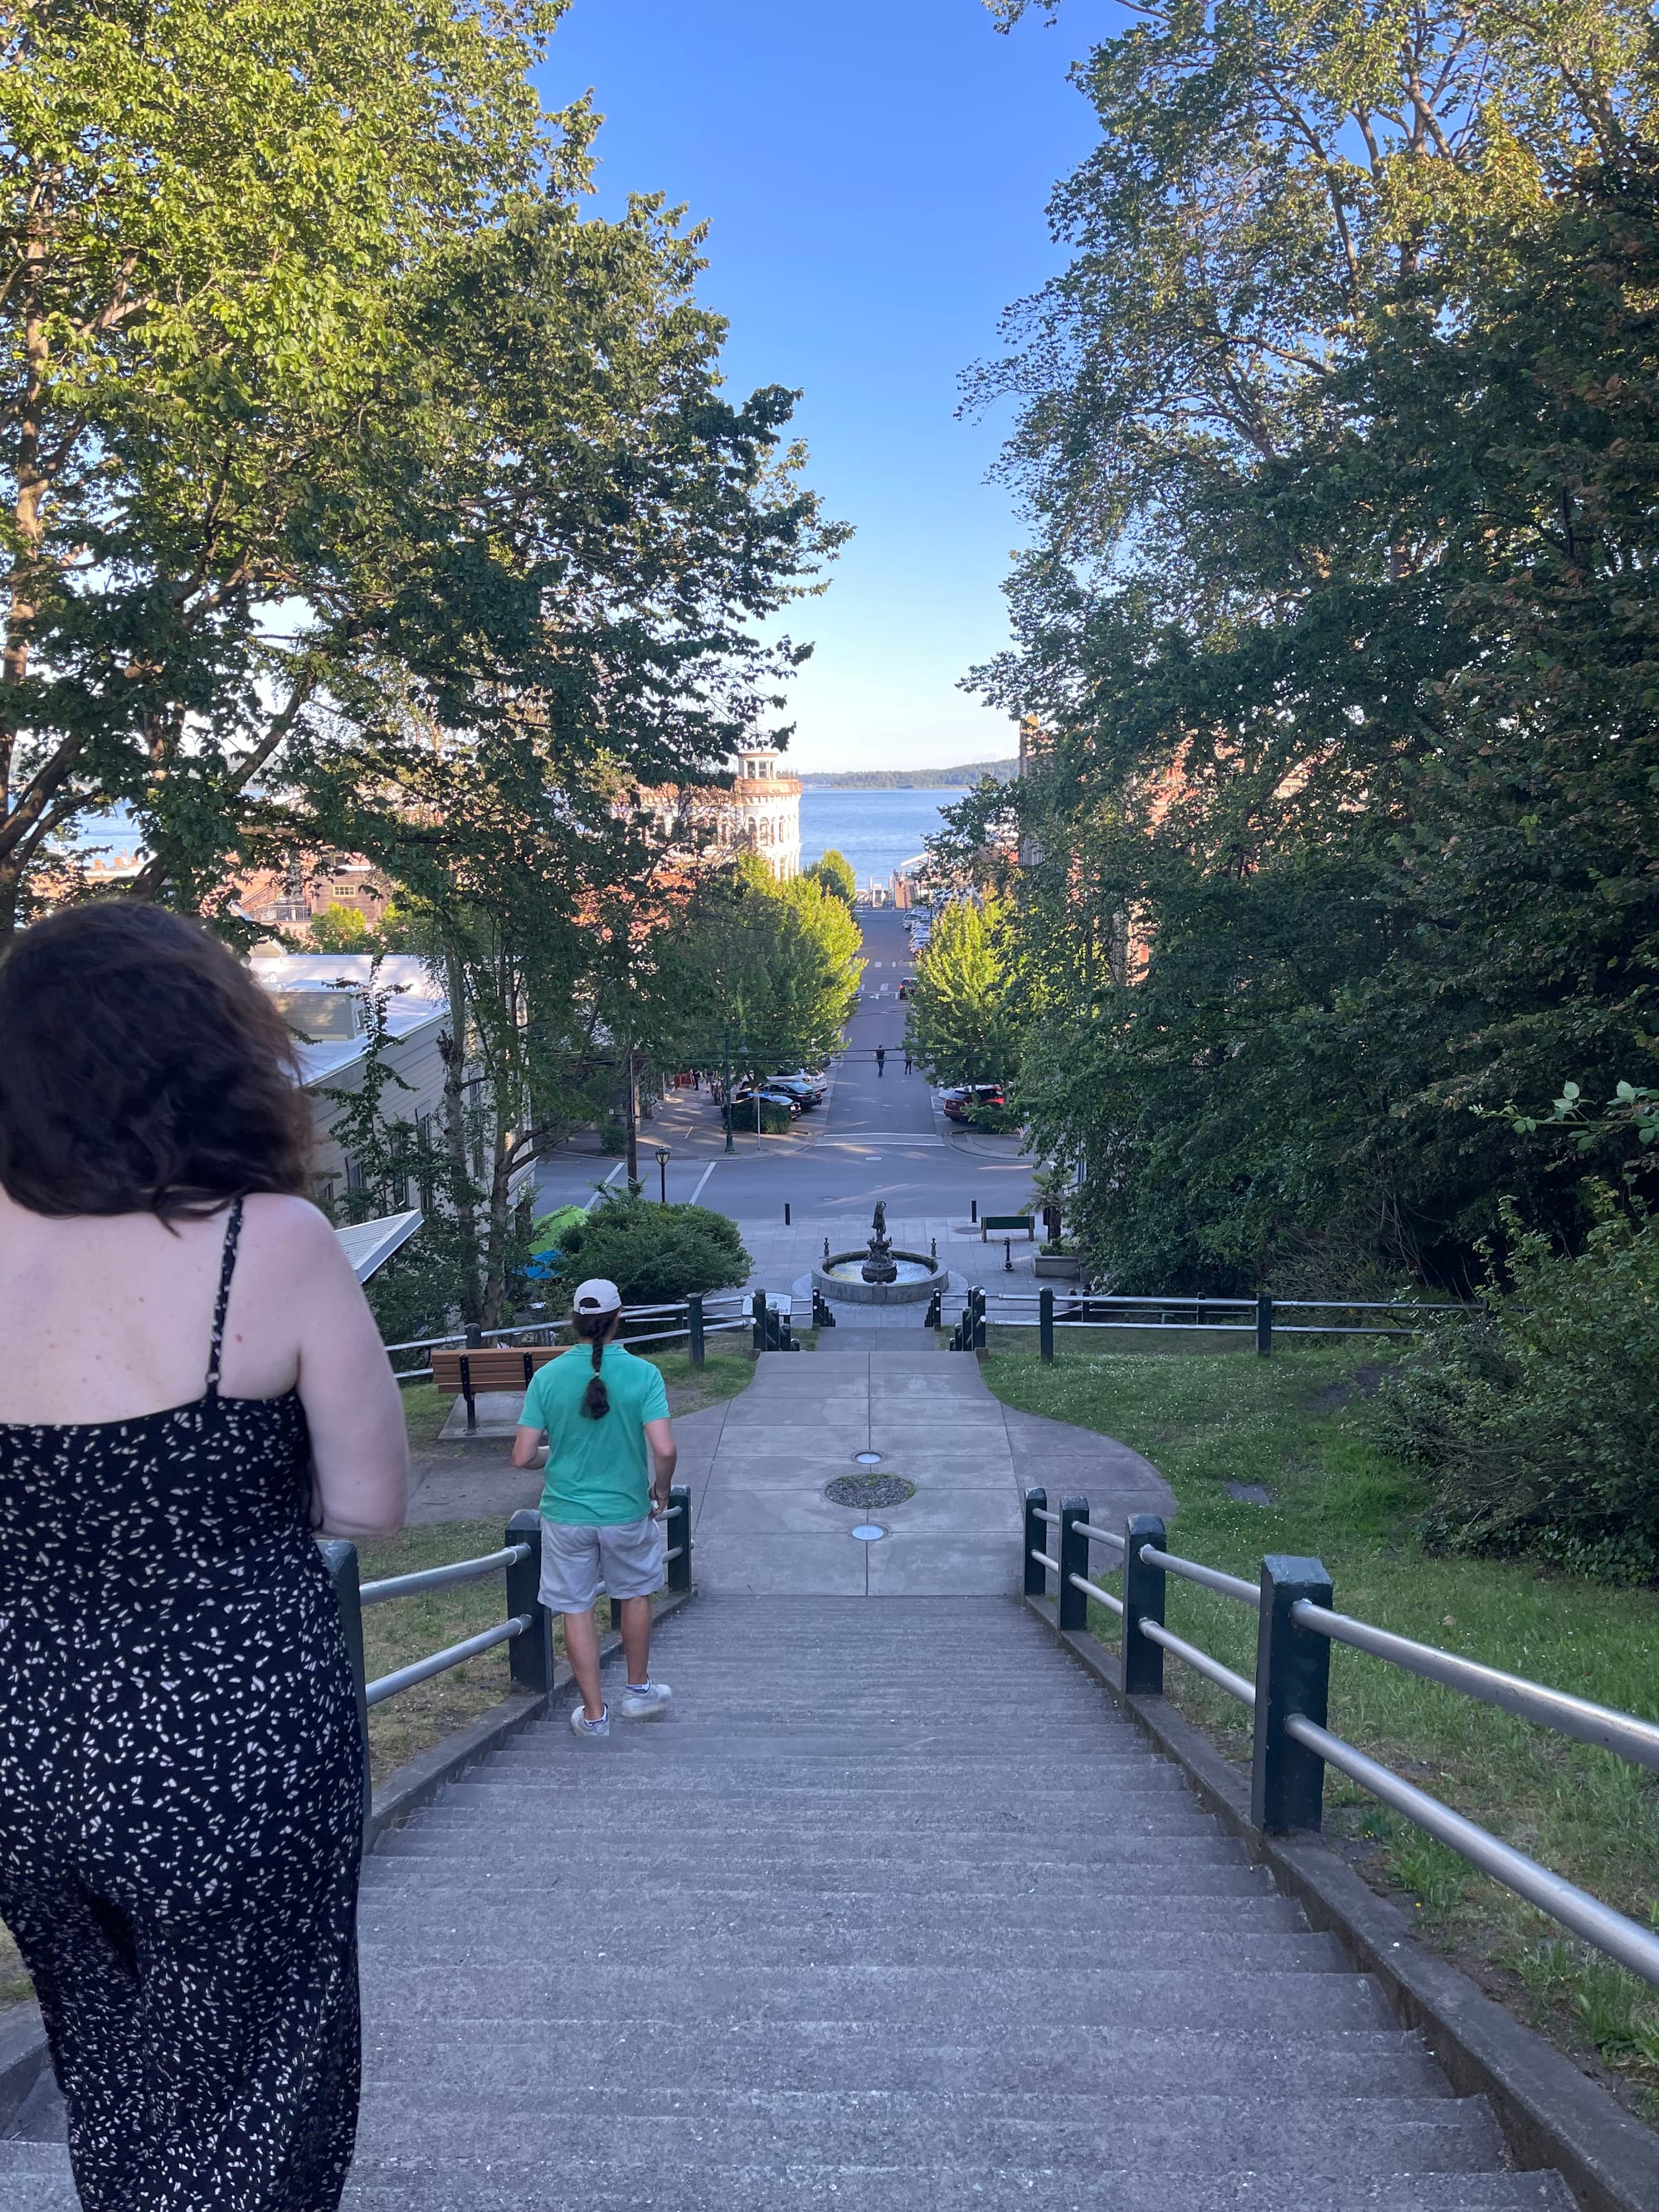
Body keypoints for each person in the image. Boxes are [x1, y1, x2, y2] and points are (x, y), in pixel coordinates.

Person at [0, 902, 409, 2212]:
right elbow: (372, 1503)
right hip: (235, 1736)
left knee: (108, 2075)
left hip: (26, 1741)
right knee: (259, 2093)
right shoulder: (266, 1240)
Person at [511, 1279, 677, 1738]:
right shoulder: (644, 1374)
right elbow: (664, 1448)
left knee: (576, 1607)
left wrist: (555, 1455)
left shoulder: (547, 1377)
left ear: (575, 1320)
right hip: (626, 1511)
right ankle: (638, 1693)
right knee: (635, 1595)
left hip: (565, 1515)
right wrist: (661, 1491)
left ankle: (594, 1716)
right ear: (619, 1317)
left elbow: (522, 1456)